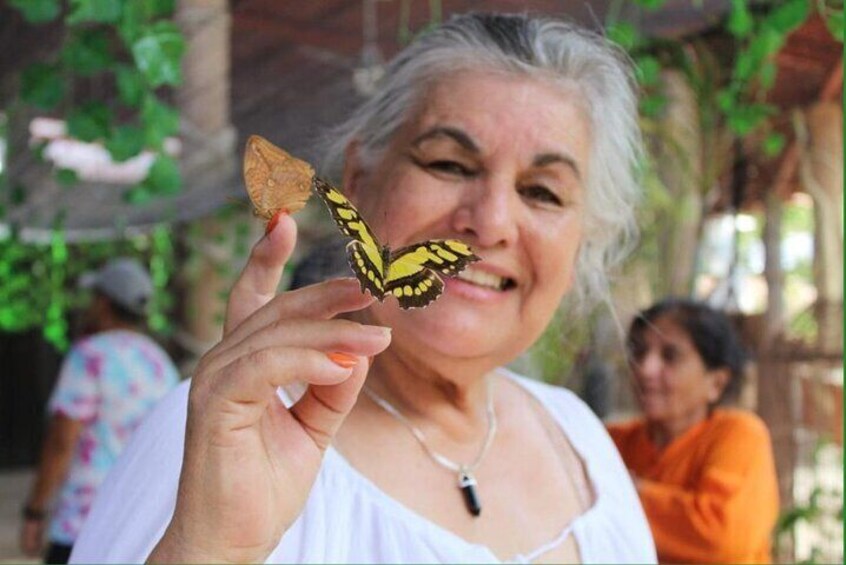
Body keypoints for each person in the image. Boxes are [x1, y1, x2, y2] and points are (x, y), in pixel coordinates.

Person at [71, 13, 656, 563]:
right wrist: (208, 548)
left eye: (543, 192)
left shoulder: (582, 443)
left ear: (582, 241)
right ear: (360, 180)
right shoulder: (229, 431)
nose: (492, 222)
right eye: (449, 165)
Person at [19, 257, 180, 564]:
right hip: (140, 528)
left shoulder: (89, 356)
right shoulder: (160, 364)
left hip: (84, 526)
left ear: (104, 303)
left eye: (93, 299)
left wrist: (35, 510)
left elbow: (61, 443)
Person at [608, 298, 780, 563]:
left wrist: (616, 492)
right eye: (639, 352)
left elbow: (721, 535)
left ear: (716, 383)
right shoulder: (610, 441)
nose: (645, 369)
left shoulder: (739, 435)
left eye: (670, 356)